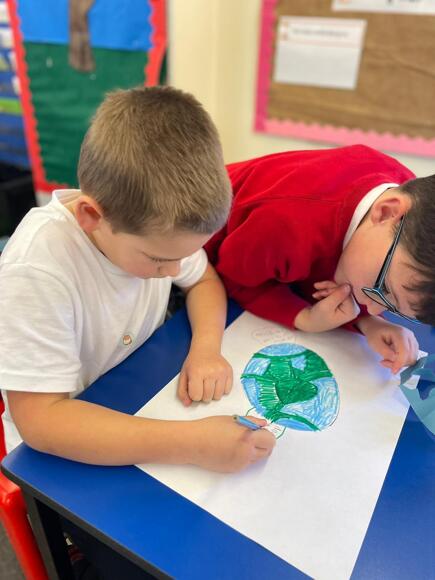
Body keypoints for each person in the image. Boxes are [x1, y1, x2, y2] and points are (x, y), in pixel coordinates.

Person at [0, 86, 275, 472]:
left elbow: (203, 282)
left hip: (134, 394)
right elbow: (41, 422)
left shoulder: (154, 229)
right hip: (61, 450)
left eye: (181, 257)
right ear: (91, 217)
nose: (175, 271)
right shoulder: (36, 270)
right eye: (160, 260)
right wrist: (193, 443)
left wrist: (206, 350)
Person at [205, 145, 434, 375]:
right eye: (382, 288)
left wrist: (369, 322)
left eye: (393, 308)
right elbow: (235, 279)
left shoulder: (409, 208)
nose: (374, 308)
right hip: (199, 247)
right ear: (385, 212)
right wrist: (304, 318)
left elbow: (317, 261)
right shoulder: (285, 223)